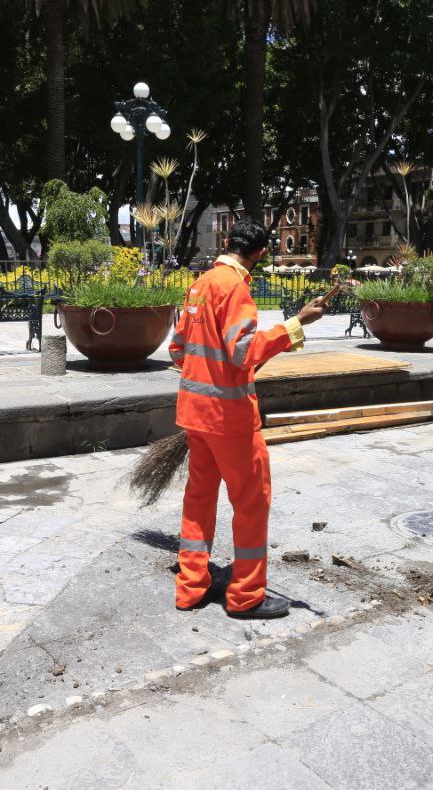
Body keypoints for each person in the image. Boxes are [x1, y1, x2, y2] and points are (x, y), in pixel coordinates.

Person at [167, 219, 326, 619]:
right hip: (228, 419)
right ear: (259, 254)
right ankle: (246, 596)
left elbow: (177, 350)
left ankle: (191, 588)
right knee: (252, 503)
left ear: (226, 243)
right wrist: (296, 324)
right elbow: (244, 353)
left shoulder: (199, 284)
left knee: (198, 500)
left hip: (194, 414)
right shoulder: (234, 287)